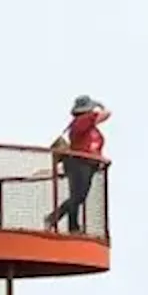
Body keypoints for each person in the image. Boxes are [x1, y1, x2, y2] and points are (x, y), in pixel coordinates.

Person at [42, 94, 110, 233]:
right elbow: (106, 114)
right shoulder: (83, 121)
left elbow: (92, 147)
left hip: (88, 164)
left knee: (79, 196)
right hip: (79, 163)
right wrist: (100, 105)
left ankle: (71, 226)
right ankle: (58, 220)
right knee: (78, 196)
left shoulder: (89, 126)